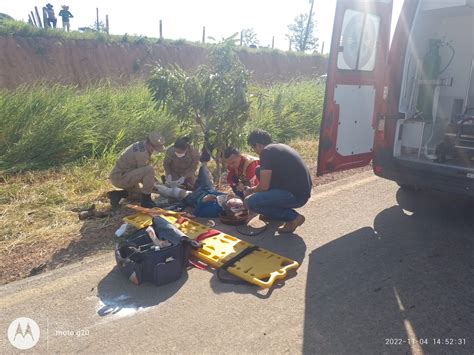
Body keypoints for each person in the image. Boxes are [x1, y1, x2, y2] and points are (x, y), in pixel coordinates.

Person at [244, 129, 312, 233]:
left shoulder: (266, 152)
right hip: (301, 192)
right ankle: (271, 214)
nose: (255, 151)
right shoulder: (278, 147)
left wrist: (252, 191)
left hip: (295, 195)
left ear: (257, 145)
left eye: (253, 148)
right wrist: (255, 190)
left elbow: (264, 186)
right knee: (259, 169)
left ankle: (294, 218)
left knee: (251, 202)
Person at [155, 163, 244, 218]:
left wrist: (204, 200)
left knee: (177, 192)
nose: (229, 199)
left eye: (231, 201)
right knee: (203, 168)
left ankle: (158, 186)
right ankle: (175, 184)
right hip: (207, 188)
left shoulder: (214, 211)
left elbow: (196, 213)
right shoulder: (226, 200)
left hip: (195, 197)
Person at [108, 132, 165, 209]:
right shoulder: (142, 154)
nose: (155, 151)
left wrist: (154, 184)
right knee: (149, 170)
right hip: (120, 177)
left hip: (126, 174)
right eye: (155, 149)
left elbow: (141, 173)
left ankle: (117, 194)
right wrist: (156, 186)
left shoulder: (141, 144)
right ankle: (146, 201)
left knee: (138, 195)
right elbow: (145, 174)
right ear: (150, 144)